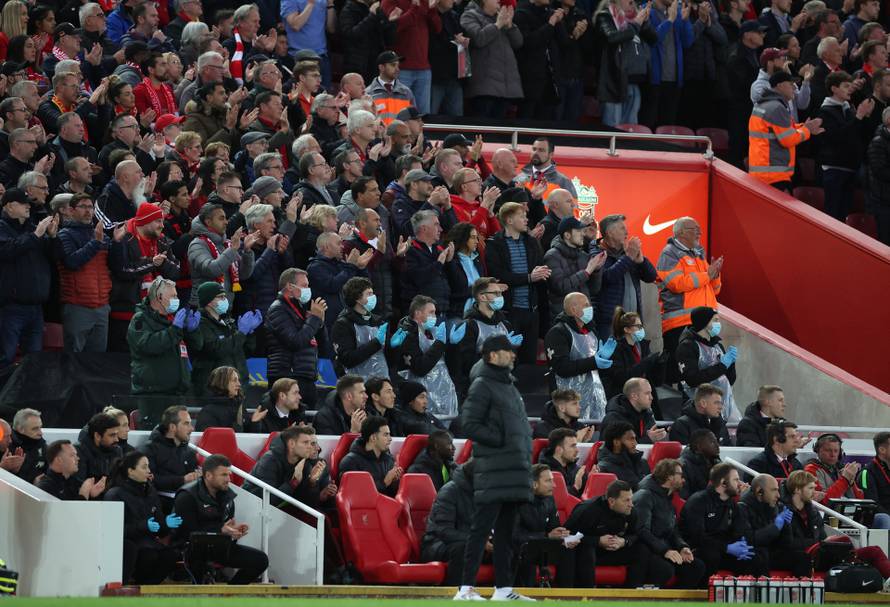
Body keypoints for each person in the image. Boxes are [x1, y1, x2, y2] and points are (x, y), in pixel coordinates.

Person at [454, 335, 533, 602]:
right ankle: (465, 589)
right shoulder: (483, 385)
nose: (512, 355)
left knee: (506, 534)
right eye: (506, 350)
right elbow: (469, 423)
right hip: (494, 469)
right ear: (491, 355)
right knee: (481, 529)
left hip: (514, 470)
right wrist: (500, 440)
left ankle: (503, 589)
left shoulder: (509, 387)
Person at [173, 454, 270, 584]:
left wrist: (233, 534)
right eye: (223, 475)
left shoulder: (227, 496)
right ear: (208, 475)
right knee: (200, 564)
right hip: (191, 549)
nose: (228, 479)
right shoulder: (187, 495)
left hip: (219, 546)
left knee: (261, 560)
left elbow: (225, 529)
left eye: (229, 474)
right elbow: (186, 532)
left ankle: (229, 594)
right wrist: (221, 530)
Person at [784, 469, 890, 578]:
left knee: (873, 551)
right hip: (806, 556)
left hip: (824, 553)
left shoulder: (813, 511)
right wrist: (820, 543)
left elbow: (822, 537)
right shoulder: (784, 512)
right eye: (810, 488)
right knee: (844, 540)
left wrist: (825, 543)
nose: (814, 492)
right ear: (797, 490)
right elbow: (788, 543)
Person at [655, 217, 722, 384]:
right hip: (681, 324)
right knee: (680, 377)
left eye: (699, 228)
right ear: (681, 232)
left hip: (704, 324)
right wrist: (707, 275)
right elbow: (676, 283)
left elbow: (715, 290)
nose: (699, 232)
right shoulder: (669, 253)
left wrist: (715, 275)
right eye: (694, 229)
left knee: (705, 372)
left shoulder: (699, 254)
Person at [564, 480, 659, 588]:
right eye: (626, 500)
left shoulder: (630, 512)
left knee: (642, 549)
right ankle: (588, 594)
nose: (631, 504)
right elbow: (567, 537)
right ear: (611, 501)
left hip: (612, 552)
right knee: (587, 549)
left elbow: (636, 534)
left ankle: (630, 593)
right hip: (588, 553)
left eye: (631, 499)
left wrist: (624, 541)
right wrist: (597, 541)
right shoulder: (588, 509)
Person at [104, 450, 180, 584]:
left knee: (171, 555)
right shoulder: (115, 494)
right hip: (129, 544)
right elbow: (113, 530)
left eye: (148, 466)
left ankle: (149, 588)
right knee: (148, 555)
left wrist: (166, 524)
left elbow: (159, 525)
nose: (149, 470)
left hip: (149, 543)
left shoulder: (151, 492)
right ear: (130, 471)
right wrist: (143, 526)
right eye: (144, 467)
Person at [0, 187, 56, 369]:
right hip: (11, 307)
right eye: (23, 203)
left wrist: (53, 237)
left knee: (33, 362)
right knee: (5, 358)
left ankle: (27, 397)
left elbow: (57, 257)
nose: (28, 207)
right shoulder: (3, 227)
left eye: (28, 204)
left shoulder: (33, 228)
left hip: (36, 306)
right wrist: (35, 236)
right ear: (8, 206)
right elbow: (7, 251)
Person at [633, 459, 708, 588]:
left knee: (696, 567)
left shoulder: (668, 497)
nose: (683, 479)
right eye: (680, 475)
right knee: (665, 570)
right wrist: (665, 551)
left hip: (663, 548)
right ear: (669, 477)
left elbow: (673, 529)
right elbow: (641, 530)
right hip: (646, 549)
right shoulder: (645, 495)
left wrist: (682, 547)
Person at [128, 277, 195, 419]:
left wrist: (192, 331)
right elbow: (148, 345)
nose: (177, 299)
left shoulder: (171, 321)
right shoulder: (140, 319)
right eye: (173, 296)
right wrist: (174, 330)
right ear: (159, 297)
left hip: (177, 394)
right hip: (153, 396)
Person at [545, 291, 616, 420]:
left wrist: (604, 360)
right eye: (586, 305)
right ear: (573, 309)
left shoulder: (591, 331)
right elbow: (561, 367)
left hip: (596, 398)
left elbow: (595, 365)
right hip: (569, 399)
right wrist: (594, 362)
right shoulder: (558, 332)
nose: (590, 308)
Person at [748, 71, 822, 192]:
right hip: (774, 177)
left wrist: (804, 126)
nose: (794, 87)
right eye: (791, 83)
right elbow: (788, 139)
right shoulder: (777, 108)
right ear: (780, 85)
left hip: (761, 174)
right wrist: (807, 130)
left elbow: (781, 130)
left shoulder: (763, 105)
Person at [264, 268, 328, 405]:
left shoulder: (301, 308)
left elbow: (323, 345)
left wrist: (320, 322)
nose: (308, 289)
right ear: (289, 286)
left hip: (306, 376)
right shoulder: (277, 308)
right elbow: (294, 341)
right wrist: (314, 319)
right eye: (304, 285)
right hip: (287, 377)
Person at [816, 70, 874, 221]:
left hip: (850, 167)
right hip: (834, 168)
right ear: (834, 88)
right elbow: (837, 137)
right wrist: (859, 117)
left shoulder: (848, 109)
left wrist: (864, 117)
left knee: (845, 215)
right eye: (845, 86)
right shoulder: (825, 111)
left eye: (850, 85)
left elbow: (857, 134)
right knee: (833, 215)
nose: (849, 89)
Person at [679, 463, 756, 575]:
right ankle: (706, 591)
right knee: (711, 555)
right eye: (736, 480)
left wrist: (742, 544)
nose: (740, 484)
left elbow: (740, 530)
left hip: (721, 548)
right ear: (723, 483)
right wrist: (727, 547)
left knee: (753, 555)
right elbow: (697, 537)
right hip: (697, 549)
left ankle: (742, 591)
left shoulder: (732, 503)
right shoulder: (698, 501)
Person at [588, 214, 656, 340]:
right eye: (622, 228)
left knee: (634, 358)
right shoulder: (597, 252)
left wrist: (641, 261)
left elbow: (651, 277)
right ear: (610, 233)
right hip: (610, 321)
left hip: (632, 320)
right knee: (611, 358)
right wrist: (629, 257)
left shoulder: (627, 252)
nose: (627, 232)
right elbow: (607, 278)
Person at [187, 282, 259, 397]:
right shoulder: (199, 323)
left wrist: (249, 333)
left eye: (225, 296)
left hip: (238, 386)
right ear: (209, 301)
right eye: (220, 297)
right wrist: (241, 333)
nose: (225, 300)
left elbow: (246, 351)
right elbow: (216, 349)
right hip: (216, 388)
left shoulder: (228, 321)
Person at [514, 464, 582, 587]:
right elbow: (514, 535)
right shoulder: (517, 503)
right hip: (519, 548)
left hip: (542, 547)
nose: (554, 485)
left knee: (569, 551)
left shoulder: (549, 499)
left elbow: (553, 529)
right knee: (528, 552)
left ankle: (565, 596)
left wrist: (563, 537)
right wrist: (547, 536)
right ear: (534, 484)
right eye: (548, 481)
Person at [395, 295, 459, 418]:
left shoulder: (434, 332)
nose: (435, 317)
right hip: (423, 401)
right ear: (418, 313)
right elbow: (420, 368)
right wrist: (440, 344)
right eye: (431, 312)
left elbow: (453, 369)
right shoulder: (407, 335)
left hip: (444, 398)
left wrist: (454, 347)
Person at [594, 0, 656, 127]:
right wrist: (636, 25)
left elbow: (653, 39)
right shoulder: (605, 16)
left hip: (634, 82)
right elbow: (612, 38)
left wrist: (644, 22)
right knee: (614, 129)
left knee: (630, 130)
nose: (632, 2)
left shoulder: (634, 19)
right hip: (614, 84)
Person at [421, 460, 483, 585]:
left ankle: (508, 593)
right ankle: (458, 593)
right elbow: (443, 531)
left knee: (513, 547)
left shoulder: (483, 493)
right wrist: (477, 540)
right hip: (438, 544)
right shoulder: (450, 491)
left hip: (473, 542)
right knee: (463, 548)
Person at [243, 425, 335, 509]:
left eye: (311, 443)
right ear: (291, 444)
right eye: (306, 443)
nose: (310, 447)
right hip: (251, 506)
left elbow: (307, 505)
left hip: (281, 511)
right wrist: (293, 483)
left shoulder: (305, 462)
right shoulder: (269, 460)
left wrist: (312, 482)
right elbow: (268, 501)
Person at [459, 0, 523, 119]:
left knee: (498, 133)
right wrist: (497, 25)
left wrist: (510, 26)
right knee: (483, 127)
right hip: (483, 88)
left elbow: (518, 43)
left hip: (505, 88)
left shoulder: (500, 17)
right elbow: (478, 39)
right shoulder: (469, 15)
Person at [675, 306, 739, 424]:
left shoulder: (717, 345)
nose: (718, 324)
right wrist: (722, 366)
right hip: (699, 409)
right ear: (704, 323)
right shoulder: (687, 346)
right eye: (715, 320)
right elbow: (692, 379)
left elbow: (730, 379)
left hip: (724, 404)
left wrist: (731, 362)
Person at [188, 204, 257, 306]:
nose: (226, 222)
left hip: (224, 309)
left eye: (226, 218)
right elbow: (211, 269)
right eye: (221, 219)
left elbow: (243, 275)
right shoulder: (197, 244)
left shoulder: (226, 244)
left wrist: (247, 251)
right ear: (208, 222)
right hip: (204, 309)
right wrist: (232, 250)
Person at [738, 473, 806, 576]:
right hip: (752, 554)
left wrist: (786, 526)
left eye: (778, 490)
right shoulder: (742, 507)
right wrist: (776, 526)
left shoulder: (777, 506)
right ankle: (765, 591)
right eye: (774, 490)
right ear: (759, 491)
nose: (778, 495)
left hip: (771, 553)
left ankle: (802, 591)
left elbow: (786, 544)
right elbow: (749, 540)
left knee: (802, 557)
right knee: (759, 557)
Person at [455, 277, 512, 396]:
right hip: (478, 389)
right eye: (496, 293)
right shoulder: (470, 325)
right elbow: (466, 363)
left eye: (500, 293)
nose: (500, 297)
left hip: (503, 387)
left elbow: (513, 362)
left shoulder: (505, 324)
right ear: (482, 297)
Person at [544, 216, 605, 323]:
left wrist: (596, 270)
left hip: (584, 317)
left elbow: (594, 290)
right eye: (578, 231)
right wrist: (586, 272)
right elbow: (560, 287)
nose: (583, 234)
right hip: (563, 318)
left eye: (583, 230)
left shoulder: (583, 256)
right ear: (567, 235)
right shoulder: (552, 256)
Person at [603, 309, 668, 407]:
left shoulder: (643, 346)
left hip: (646, 400)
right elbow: (622, 377)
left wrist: (660, 364)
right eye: (638, 326)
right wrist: (646, 363)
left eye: (642, 326)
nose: (641, 329)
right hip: (625, 401)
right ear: (627, 329)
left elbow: (656, 381)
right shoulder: (617, 349)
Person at [143, 406, 199, 512]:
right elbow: (150, 479)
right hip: (159, 505)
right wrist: (183, 480)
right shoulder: (150, 449)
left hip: (185, 501)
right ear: (173, 427)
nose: (192, 428)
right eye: (186, 424)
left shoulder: (189, 452)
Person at [402, 210, 453, 314]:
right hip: (421, 314)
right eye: (436, 225)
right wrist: (438, 264)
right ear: (424, 228)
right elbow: (418, 278)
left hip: (443, 309)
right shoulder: (410, 250)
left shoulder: (438, 250)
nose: (441, 229)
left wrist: (449, 262)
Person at [338, 415, 402, 496]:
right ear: (373, 438)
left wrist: (395, 482)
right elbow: (354, 495)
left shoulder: (389, 460)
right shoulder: (350, 462)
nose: (390, 439)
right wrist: (384, 482)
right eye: (386, 435)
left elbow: (392, 495)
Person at [804, 434, 865, 506]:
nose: (833, 454)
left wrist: (851, 483)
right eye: (828, 450)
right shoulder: (811, 470)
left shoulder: (841, 469)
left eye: (836, 451)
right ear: (817, 451)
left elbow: (860, 501)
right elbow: (823, 502)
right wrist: (845, 480)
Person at [601, 378, 666, 444]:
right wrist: (648, 439)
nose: (651, 397)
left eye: (651, 393)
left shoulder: (647, 416)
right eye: (647, 393)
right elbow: (614, 450)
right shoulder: (613, 419)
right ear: (634, 396)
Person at [37, 440, 106, 500]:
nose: (78, 458)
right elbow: (62, 513)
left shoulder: (76, 482)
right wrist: (83, 495)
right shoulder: (44, 488)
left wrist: (91, 495)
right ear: (59, 460)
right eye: (72, 455)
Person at [597, 421, 651, 491]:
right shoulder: (604, 469)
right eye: (631, 439)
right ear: (616, 442)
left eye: (635, 438)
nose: (635, 443)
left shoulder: (642, 462)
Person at [74, 412, 121, 489]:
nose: (117, 439)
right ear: (97, 436)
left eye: (117, 434)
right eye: (112, 435)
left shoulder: (116, 450)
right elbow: (79, 485)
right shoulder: (78, 451)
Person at [538, 428, 588, 498]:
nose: (577, 450)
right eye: (573, 446)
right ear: (559, 450)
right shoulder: (544, 472)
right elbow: (555, 499)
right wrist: (575, 488)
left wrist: (591, 480)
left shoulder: (575, 469)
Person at [679, 429, 721, 499]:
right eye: (712, 442)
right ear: (699, 447)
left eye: (717, 441)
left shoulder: (716, 461)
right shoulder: (683, 466)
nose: (717, 445)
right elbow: (684, 497)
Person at [8, 408, 45, 483]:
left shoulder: (42, 445)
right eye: (35, 429)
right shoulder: (6, 448)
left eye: (40, 427)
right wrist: (32, 484)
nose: (41, 433)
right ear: (21, 429)